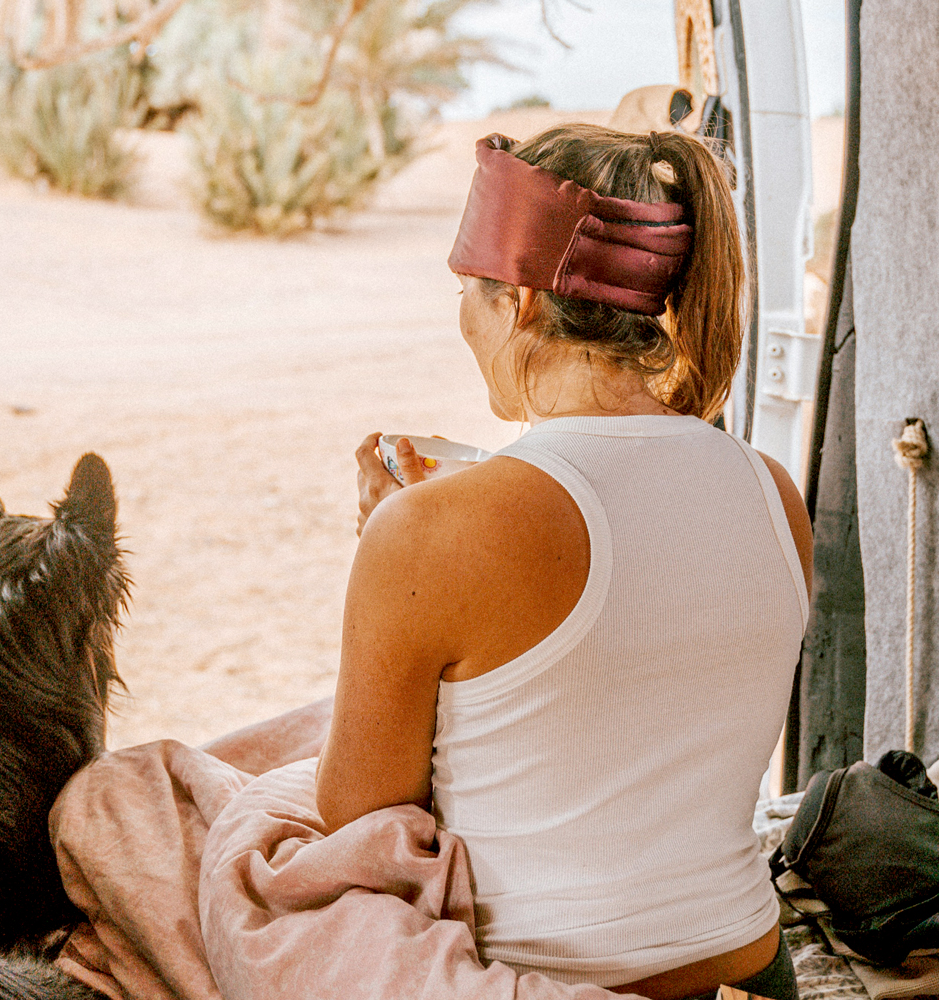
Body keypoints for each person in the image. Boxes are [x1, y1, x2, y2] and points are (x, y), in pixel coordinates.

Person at [315, 125, 813, 1000]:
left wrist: (396, 539)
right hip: (749, 968)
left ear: (516, 302)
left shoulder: (425, 530)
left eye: (466, 292)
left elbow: (359, 818)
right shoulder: (774, 492)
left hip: (552, 981)